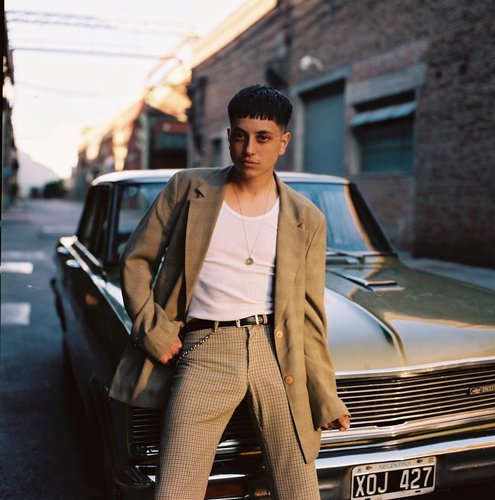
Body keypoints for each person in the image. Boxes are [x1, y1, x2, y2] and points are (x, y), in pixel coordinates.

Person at [109, 84, 350, 499]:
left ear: (283, 142)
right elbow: (135, 259)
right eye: (240, 136)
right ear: (229, 136)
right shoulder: (188, 189)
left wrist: (325, 395)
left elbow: (310, 316)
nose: (249, 149)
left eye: (263, 138)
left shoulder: (305, 217)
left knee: (299, 489)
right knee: (175, 490)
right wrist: (153, 330)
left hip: (277, 354)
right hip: (206, 348)